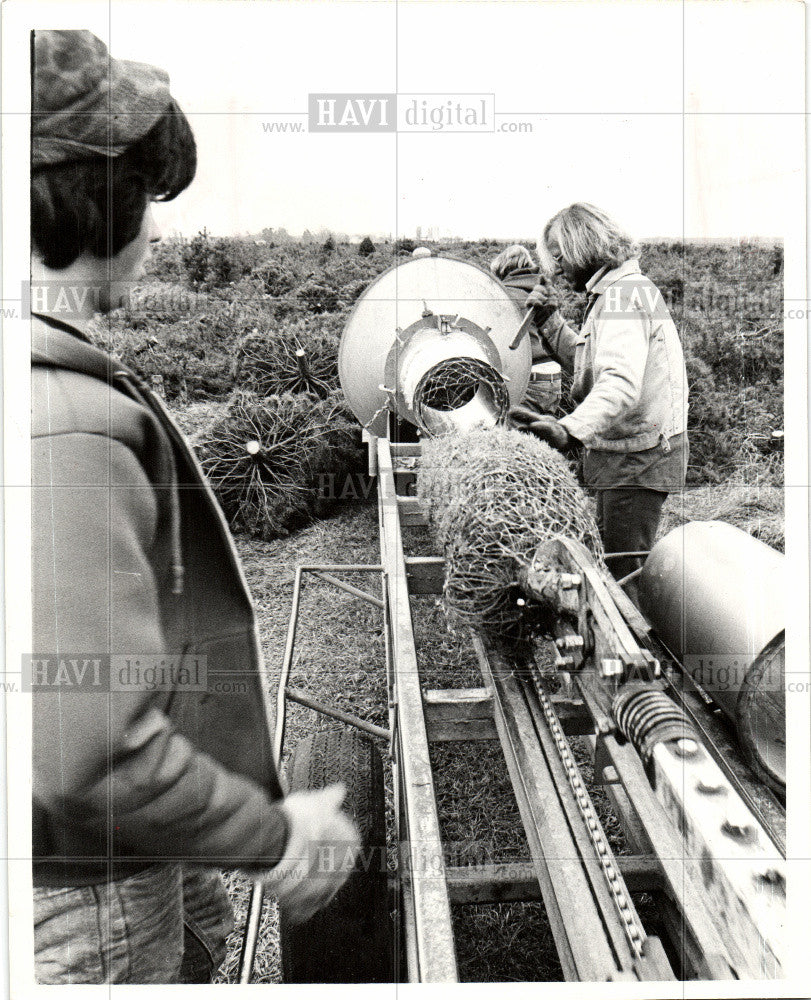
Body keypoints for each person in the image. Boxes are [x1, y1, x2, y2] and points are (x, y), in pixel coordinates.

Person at [30, 30, 358, 985]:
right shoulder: (65, 420)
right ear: (100, 203)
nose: (156, 233)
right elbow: (84, 753)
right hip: (84, 901)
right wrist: (274, 834)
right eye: (146, 201)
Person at [510, 203, 688, 601]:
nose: (555, 269)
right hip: (623, 452)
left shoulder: (625, 296)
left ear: (582, 247)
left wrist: (568, 429)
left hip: (637, 457)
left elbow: (620, 384)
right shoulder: (617, 292)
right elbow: (590, 364)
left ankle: (638, 657)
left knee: (622, 573)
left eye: (558, 256)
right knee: (613, 563)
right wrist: (550, 322)